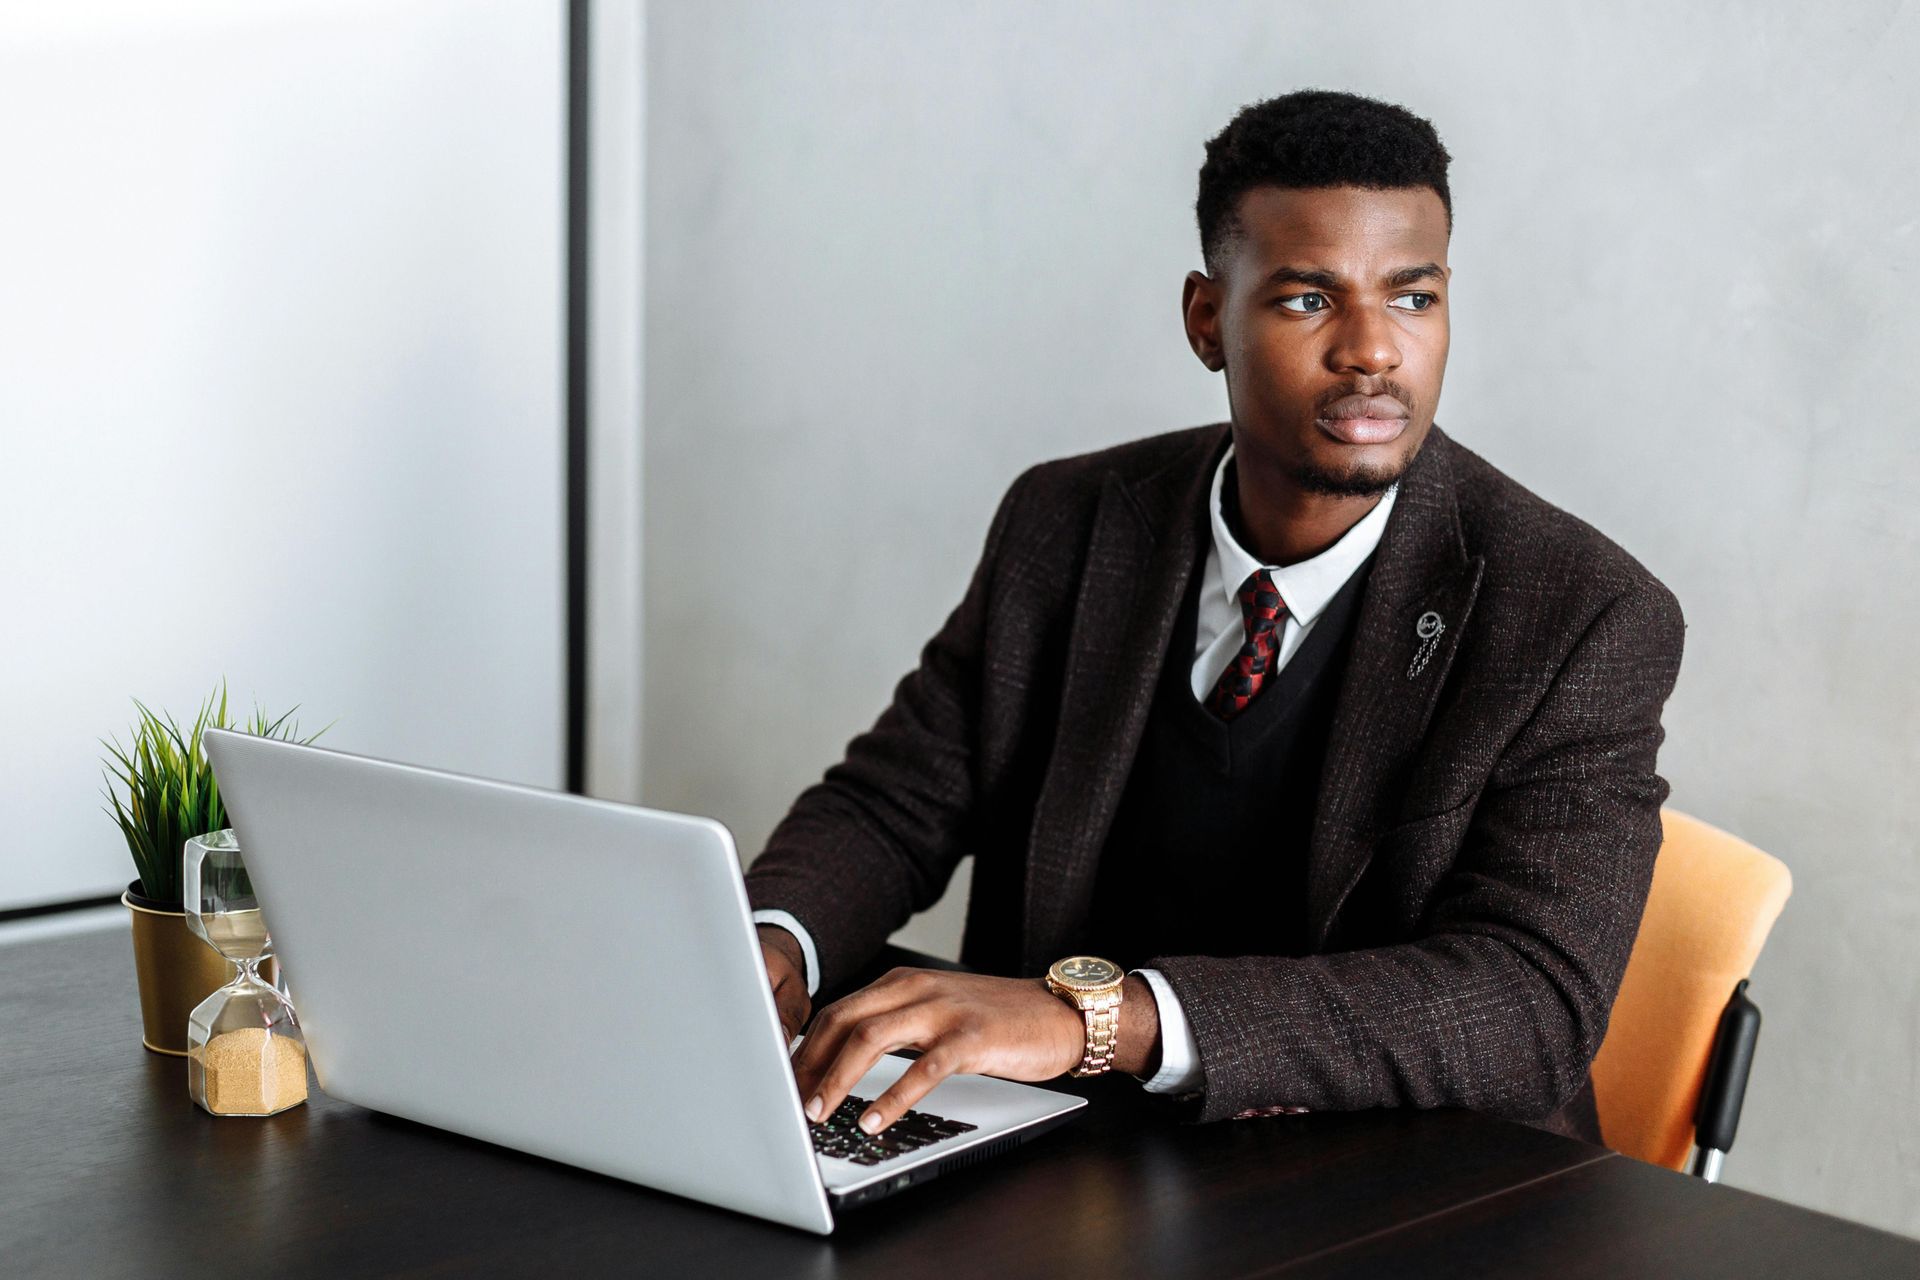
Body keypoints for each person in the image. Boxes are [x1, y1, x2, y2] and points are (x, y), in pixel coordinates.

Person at [745, 89, 1685, 1148]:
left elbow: (1527, 1001)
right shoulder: (1067, 521)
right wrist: (771, 944)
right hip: (1061, 1156)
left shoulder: (1578, 613)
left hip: (1401, 1187)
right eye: (1307, 300)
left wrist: (1105, 1020)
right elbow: (896, 799)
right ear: (1207, 320)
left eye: (1413, 298)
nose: (1373, 349)